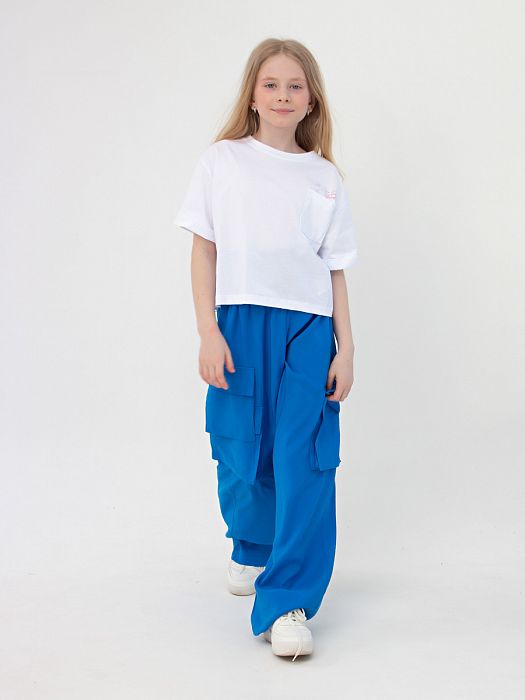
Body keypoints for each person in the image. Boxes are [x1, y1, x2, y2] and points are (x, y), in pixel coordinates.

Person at [173, 37, 358, 661]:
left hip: (308, 328)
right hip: (238, 320)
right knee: (240, 451)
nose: (283, 95)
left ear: (312, 100)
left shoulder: (324, 176)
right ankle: (252, 546)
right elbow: (204, 249)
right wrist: (208, 330)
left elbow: (334, 269)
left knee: (306, 458)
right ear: (252, 95)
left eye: (295, 86)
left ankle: (287, 601)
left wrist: (346, 348)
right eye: (271, 84)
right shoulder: (222, 161)